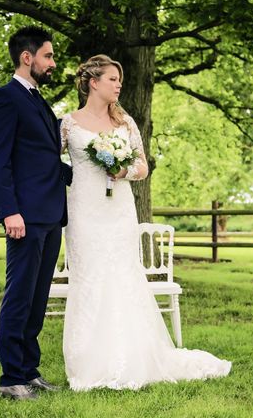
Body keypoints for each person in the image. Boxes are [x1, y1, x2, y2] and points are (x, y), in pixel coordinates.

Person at [60, 54, 231, 391]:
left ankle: (130, 356)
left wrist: (124, 170)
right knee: (91, 279)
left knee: (123, 277)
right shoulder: (68, 124)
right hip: (84, 211)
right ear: (93, 82)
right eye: (112, 79)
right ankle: (87, 361)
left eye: (119, 80)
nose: (118, 85)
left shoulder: (125, 123)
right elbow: (52, 164)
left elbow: (143, 167)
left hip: (119, 211)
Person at [0, 26, 72, 400]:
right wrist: (9, 212)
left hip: (50, 215)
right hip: (25, 217)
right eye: (48, 56)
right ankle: (11, 380)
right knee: (19, 296)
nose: (52, 63)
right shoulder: (6, 99)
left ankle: (29, 372)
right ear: (27, 57)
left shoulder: (38, 100)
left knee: (37, 298)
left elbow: (45, 159)